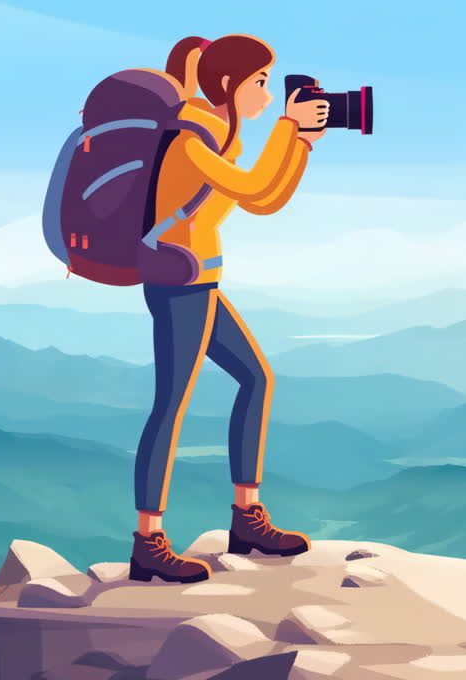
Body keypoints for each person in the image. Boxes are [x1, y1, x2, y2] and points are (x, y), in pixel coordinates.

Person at [128, 34, 329, 584]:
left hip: (201, 283)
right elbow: (257, 188)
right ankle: (148, 542)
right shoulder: (191, 139)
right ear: (227, 85)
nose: (266, 95)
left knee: (256, 379)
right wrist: (290, 131)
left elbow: (263, 199)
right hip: (178, 285)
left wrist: (301, 143)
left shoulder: (218, 138)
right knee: (170, 406)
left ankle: (247, 518)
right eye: (260, 83)